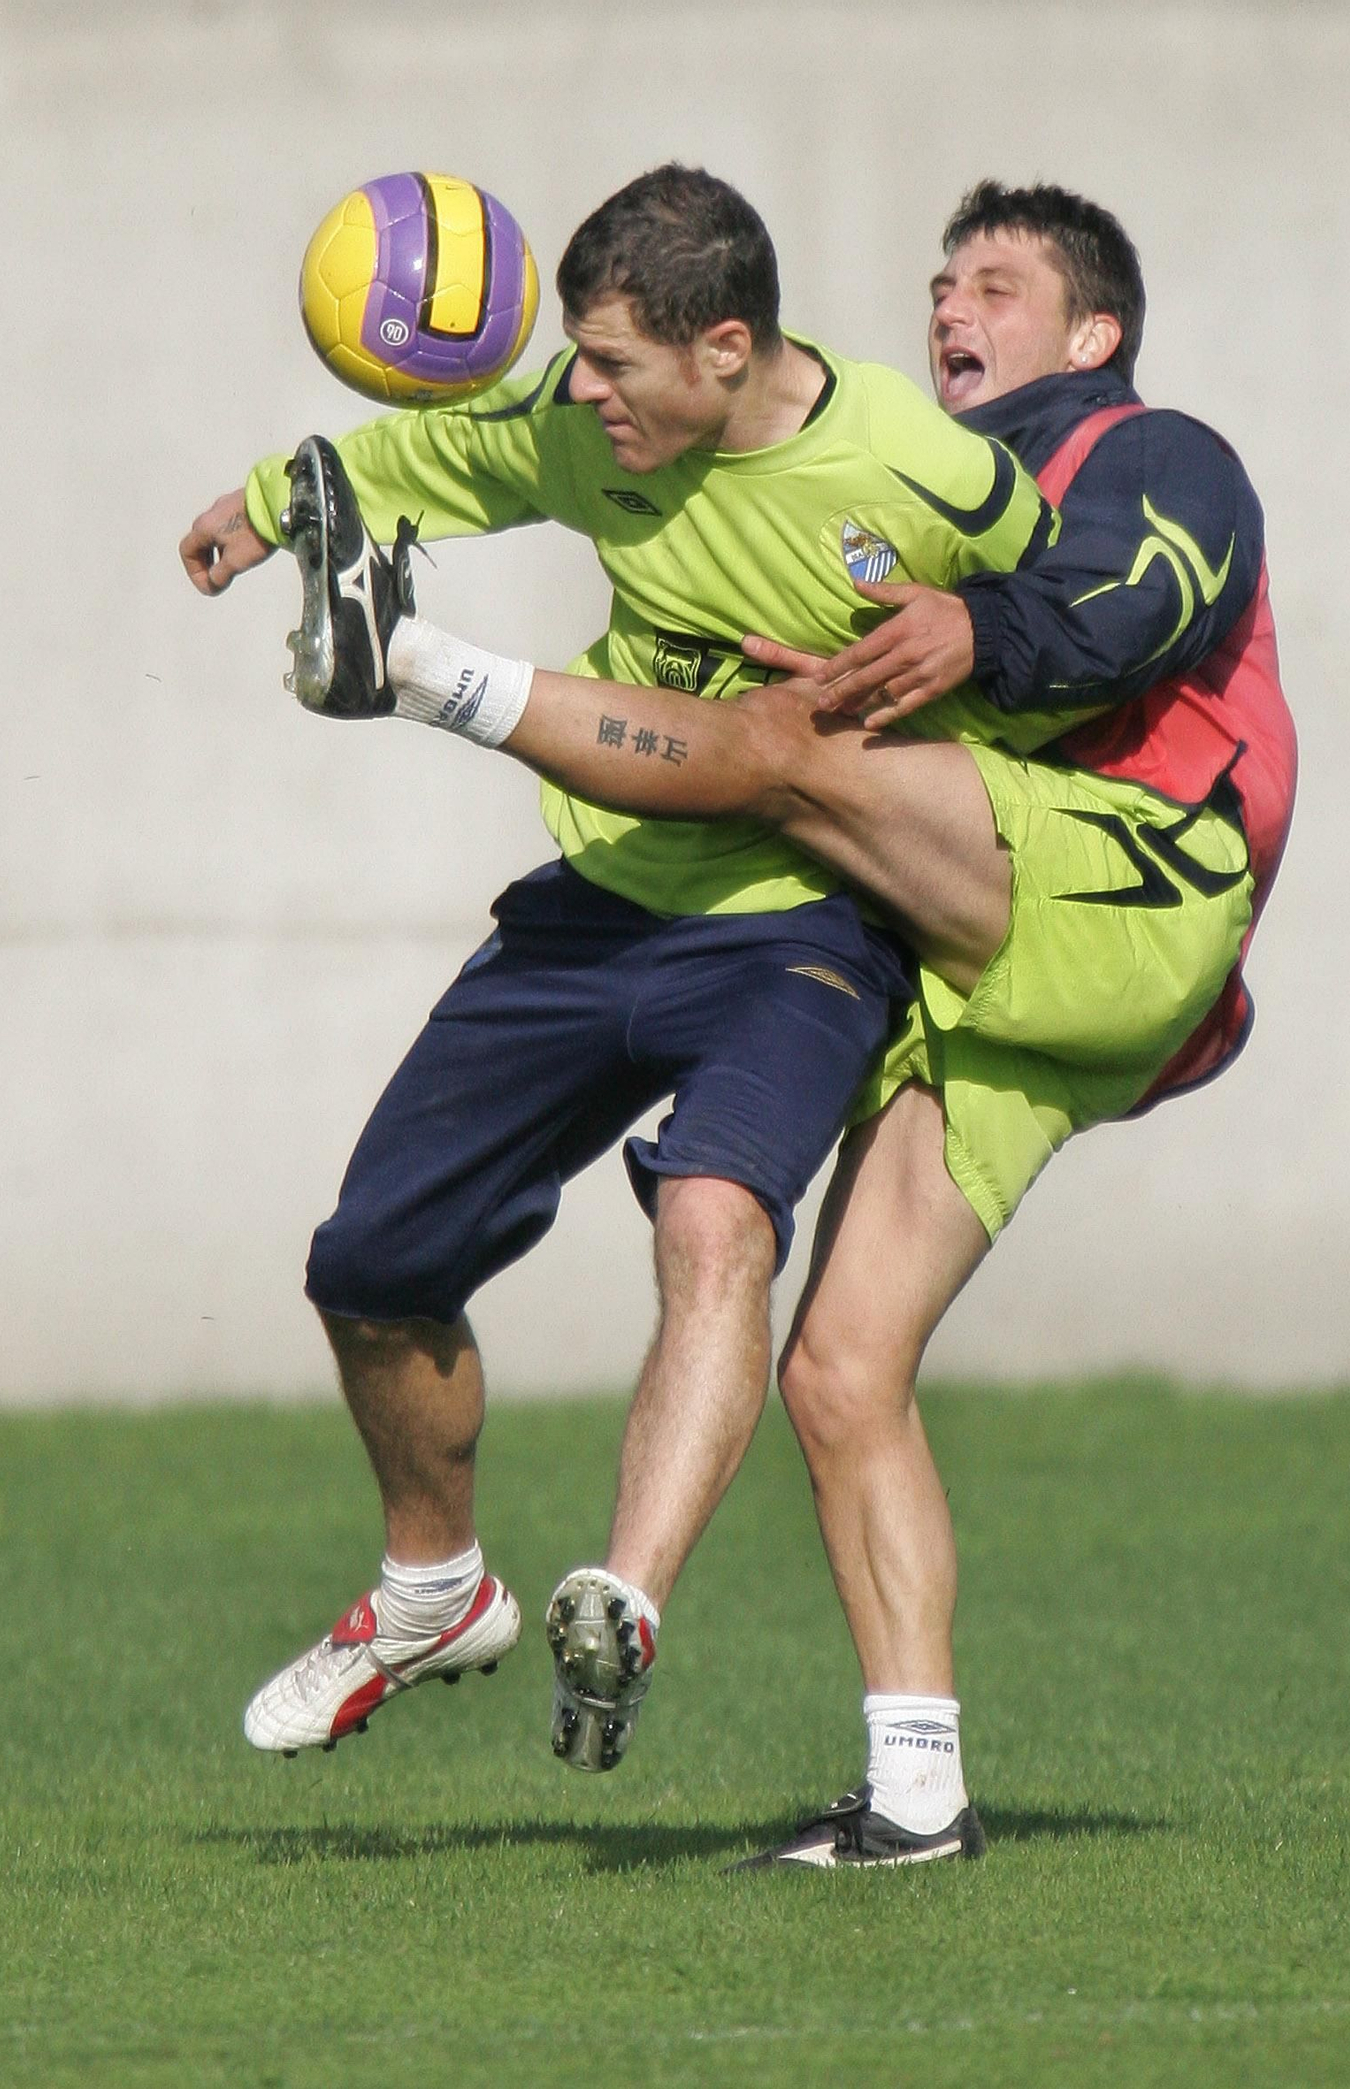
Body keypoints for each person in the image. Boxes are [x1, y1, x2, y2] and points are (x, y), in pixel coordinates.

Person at [277, 180, 1296, 1865]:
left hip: (1136, 881)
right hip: (991, 965)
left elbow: (1146, 598)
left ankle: (414, 669)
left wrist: (982, 625)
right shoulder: (879, 479)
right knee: (840, 1369)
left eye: (999, 283)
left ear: (1095, 334)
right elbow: (523, 460)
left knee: (789, 748)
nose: (952, 306)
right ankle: (916, 1795)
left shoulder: (1143, 447)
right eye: (937, 280)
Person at [178, 164, 1094, 1783]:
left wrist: (982, 657)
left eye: (610, 365)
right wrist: (268, 500)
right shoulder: (578, 429)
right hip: (600, 901)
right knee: (371, 1267)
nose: (574, 391)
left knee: (715, 1211)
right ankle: (431, 1585)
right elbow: (428, 452)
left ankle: (629, 1596)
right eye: (577, 363)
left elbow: (1066, 608)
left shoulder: (911, 460)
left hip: (808, 924)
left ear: (725, 350)